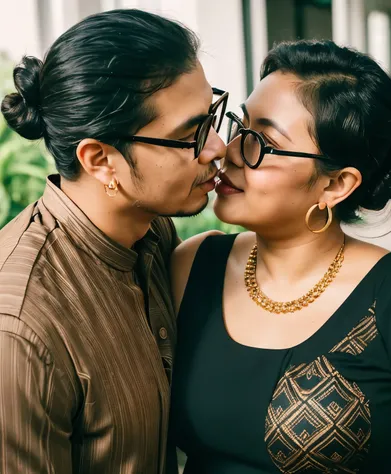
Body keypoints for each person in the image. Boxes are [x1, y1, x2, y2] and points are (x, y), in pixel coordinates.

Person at [170, 40, 391, 474]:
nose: (229, 150)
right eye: (240, 125)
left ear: (335, 185)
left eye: (262, 141)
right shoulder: (193, 266)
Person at [0, 9, 226, 474]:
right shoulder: (22, 327)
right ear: (100, 159)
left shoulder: (151, 232)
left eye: (212, 117)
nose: (218, 147)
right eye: (191, 135)